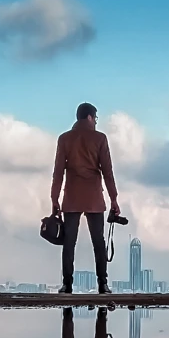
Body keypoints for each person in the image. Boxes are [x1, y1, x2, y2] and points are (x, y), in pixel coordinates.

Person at [51, 102, 119, 294]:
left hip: (71, 195)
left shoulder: (64, 139)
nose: (96, 122)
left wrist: (54, 199)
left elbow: (58, 172)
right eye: (95, 118)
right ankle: (103, 285)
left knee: (69, 242)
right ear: (89, 117)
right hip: (94, 196)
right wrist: (114, 198)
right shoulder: (100, 138)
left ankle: (67, 285)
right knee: (98, 241)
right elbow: (108, 171)